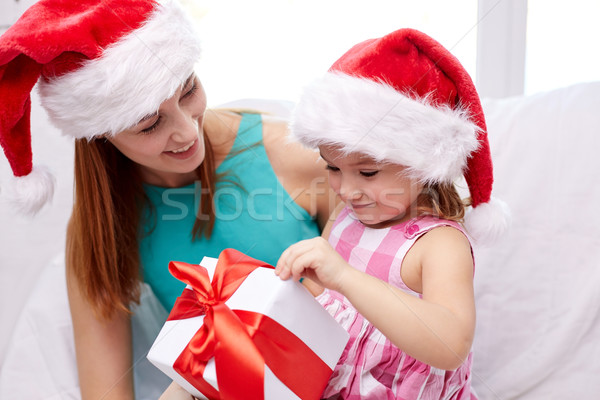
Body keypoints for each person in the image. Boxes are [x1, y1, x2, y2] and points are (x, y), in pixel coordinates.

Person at [0, 0, 335, 399]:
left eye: (188, 89)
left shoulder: (297, 156)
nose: (187, 131)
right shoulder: (103, 226)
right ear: (101, 133)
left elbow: (376, 313)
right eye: (150, 124)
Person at [275, 28, 510, 399]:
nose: (347, 190)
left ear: (421, 165)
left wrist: (345, 277)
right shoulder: (347, 215)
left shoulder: (438, 244)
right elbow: (322, 299)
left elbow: (450, 345)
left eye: (367, 173)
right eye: (332, 168)